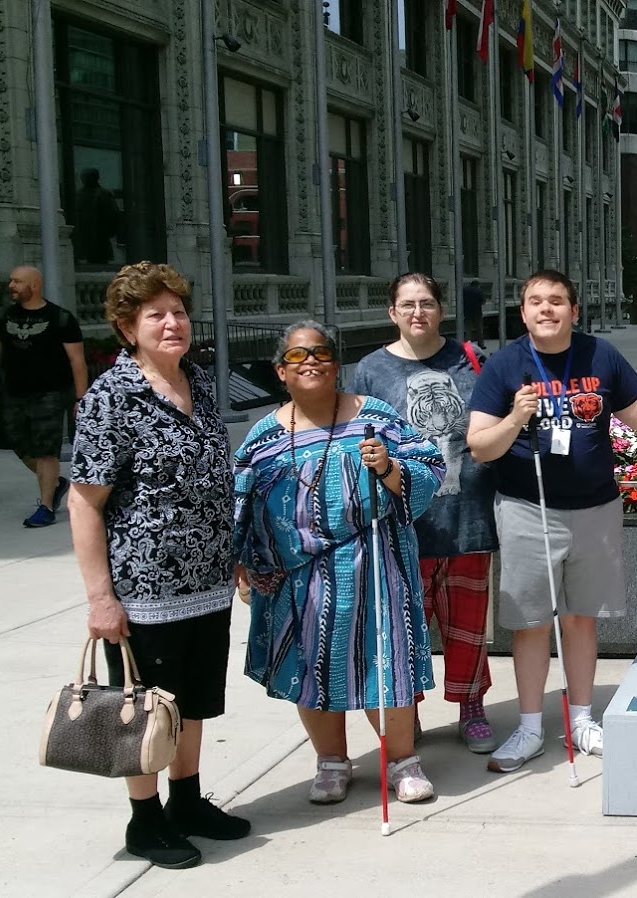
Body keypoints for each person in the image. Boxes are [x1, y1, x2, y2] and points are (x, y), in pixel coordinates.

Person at [467, 269, 637, 772]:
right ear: (523, 312)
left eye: (557, 301)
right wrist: (517, 418)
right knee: (531, 623)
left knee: (582, 618)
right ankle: (530, 726)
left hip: (594, 509)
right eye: (536, 302)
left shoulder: (600, 356)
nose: (546, 309)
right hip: (527, 509)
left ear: (574, 311)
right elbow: (479, 447)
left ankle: (582, 719)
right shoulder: (505, 365)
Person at [68, 262, 248, 870]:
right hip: (145, 589)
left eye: (178, 312)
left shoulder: (197, 380)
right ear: (127, 328)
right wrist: (100, 598)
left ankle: (188, 802)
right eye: (155, 315)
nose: (172, 324)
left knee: (194, 702)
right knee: (144, 709)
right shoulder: (112, 399)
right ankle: (145, 821)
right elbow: (84, 502)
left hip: (207, 582)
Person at [234, 321, 446, 805]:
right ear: (280, 371)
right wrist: (245, 564)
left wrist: (388, 467)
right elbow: (241, 504)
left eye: (321, 353)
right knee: (313, 666)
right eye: (296, 356)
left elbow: (431, 466)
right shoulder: (264, 436)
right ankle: (331, 761)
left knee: (383, 662)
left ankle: (401, 761)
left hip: (375, 561)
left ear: (337, 364)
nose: (310, 362)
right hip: (297, 575)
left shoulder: (374, 417)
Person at [351, 273, 500, 754]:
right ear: (392, 312)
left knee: (467, 625)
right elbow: (358, 441)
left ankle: (471, 705)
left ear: (441, 309)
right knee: (404, 627)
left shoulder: (470, 359)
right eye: (408, 304)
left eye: (428, 303)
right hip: (400, 525)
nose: (419, 312)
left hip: (466, 517)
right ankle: (406, 711)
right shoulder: (371, 370)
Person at [0, 265, 88, 527]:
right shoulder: (4, 317)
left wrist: (80, 398)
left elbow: (77, 361)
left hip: (51, 394)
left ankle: (46, 506)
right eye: (11, 281)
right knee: (21, 446)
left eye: (17, 281)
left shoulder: (60, 318)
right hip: (15, 394)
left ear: (35, 285)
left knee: (45, 451)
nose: (11, 286)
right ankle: (56, 483)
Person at [73, 168, 121, 265]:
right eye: (84, 177)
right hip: (84, 236)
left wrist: (110, 231)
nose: (85, 180)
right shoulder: (79, 195)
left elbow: (113, 215)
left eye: (87, 177)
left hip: (100, 236)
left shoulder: (104, 194)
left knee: (100, 261)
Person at [462, 279, 486, 346]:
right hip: (477, 312)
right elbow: (483, 301)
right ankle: (481, 344)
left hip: (467, 312)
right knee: (479, 329)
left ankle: (467, 344)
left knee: (468, 329)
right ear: (478, 285)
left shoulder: (465, 290)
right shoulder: (479, 291)